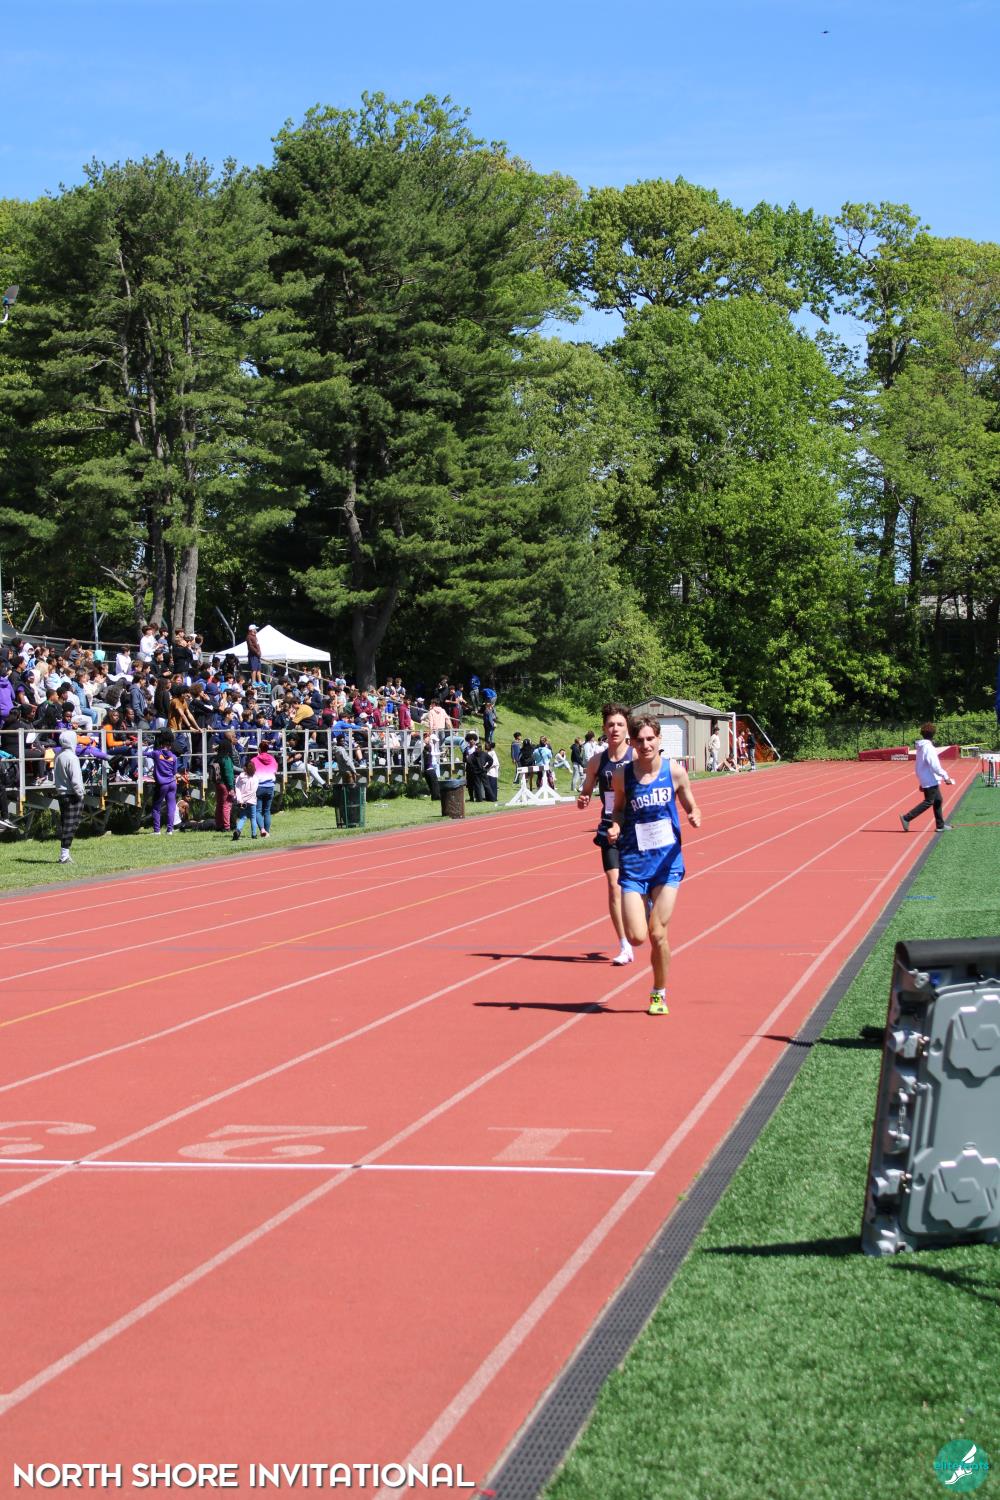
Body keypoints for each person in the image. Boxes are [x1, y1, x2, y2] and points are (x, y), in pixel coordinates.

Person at [607, 714, 702, 1015]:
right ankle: (646, 906)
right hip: (634, 863)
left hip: (666, 864)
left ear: (659, 739)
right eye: (640, 740)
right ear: (632, 743)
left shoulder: (674, 771)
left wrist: (694, 813)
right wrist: (615, 826)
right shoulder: (623, 775)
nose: (646, 745)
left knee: (658, 934)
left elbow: (690, 802)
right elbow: (618, 809)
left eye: (651, 739)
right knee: (637, 937)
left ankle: (658, 993)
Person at [577, 703, 635, 966]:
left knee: (637, 886)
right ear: (604, 728)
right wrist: (583, 799)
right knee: (614, 886)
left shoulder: (636, 756)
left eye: (620, 724)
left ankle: (643, 912)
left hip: (635, 827)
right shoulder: (597, 761)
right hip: (609, 827)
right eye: (611, 724)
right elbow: (586, 792)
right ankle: (624, 945)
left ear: (627, 729)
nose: (615, 729)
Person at [900, 723, 956, 833]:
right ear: (933, 734)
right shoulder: (928, 747)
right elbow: (934, 765)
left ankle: (940, 825)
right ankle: (907, 818)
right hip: (930, 778)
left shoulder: (921, 746)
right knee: (929, 801)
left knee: (938, 800)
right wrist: (945, 776)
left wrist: (922, 780)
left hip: (926, 777)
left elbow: (920, 764)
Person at [53, 729, 85, 863]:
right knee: (71, 825)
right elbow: (76, 779)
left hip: (61, 794)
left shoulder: (59, 755)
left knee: (65, 823)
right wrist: (81, 794)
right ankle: (64, 856)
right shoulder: (72, 758)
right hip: (72, 795)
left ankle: (64, 854)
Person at [148, 731, 180, 835]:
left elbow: (143, 753)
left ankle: (157, 830)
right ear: (170, 745)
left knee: (156, 807)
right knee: (171, 807)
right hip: (172, 783)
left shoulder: (156, 753)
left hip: (162, 784)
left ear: (161, 744)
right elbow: (174, 772)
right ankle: (170, 830)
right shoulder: (174, 757)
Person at [250, 741, 279, 838]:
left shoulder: (254, 760)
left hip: (259, 786)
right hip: (270, 786)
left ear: (259, 749)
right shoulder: (273, 759)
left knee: (257, 811)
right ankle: (267, 832)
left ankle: (262, 829)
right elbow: (275, 770)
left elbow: (250, 772)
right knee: (267, 811)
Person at [213, 731, 237, 831]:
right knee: (227, 805)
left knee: (219, 804)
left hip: (218, 783)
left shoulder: (217, 758)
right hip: (225, 785)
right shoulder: (226, 759)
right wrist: (231, 787)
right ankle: (226, 826)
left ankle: (219, 824)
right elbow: (229, 774)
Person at [233, 762, 259, 840]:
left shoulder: (239, 777)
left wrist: (240, 800)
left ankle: (238, 830)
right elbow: (254, 790)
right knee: (253, 818)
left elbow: (237, 789)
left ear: (245, 768)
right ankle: (254, 834)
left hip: (242, 801)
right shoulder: (255, 778)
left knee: (242, 817)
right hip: (252, 801)